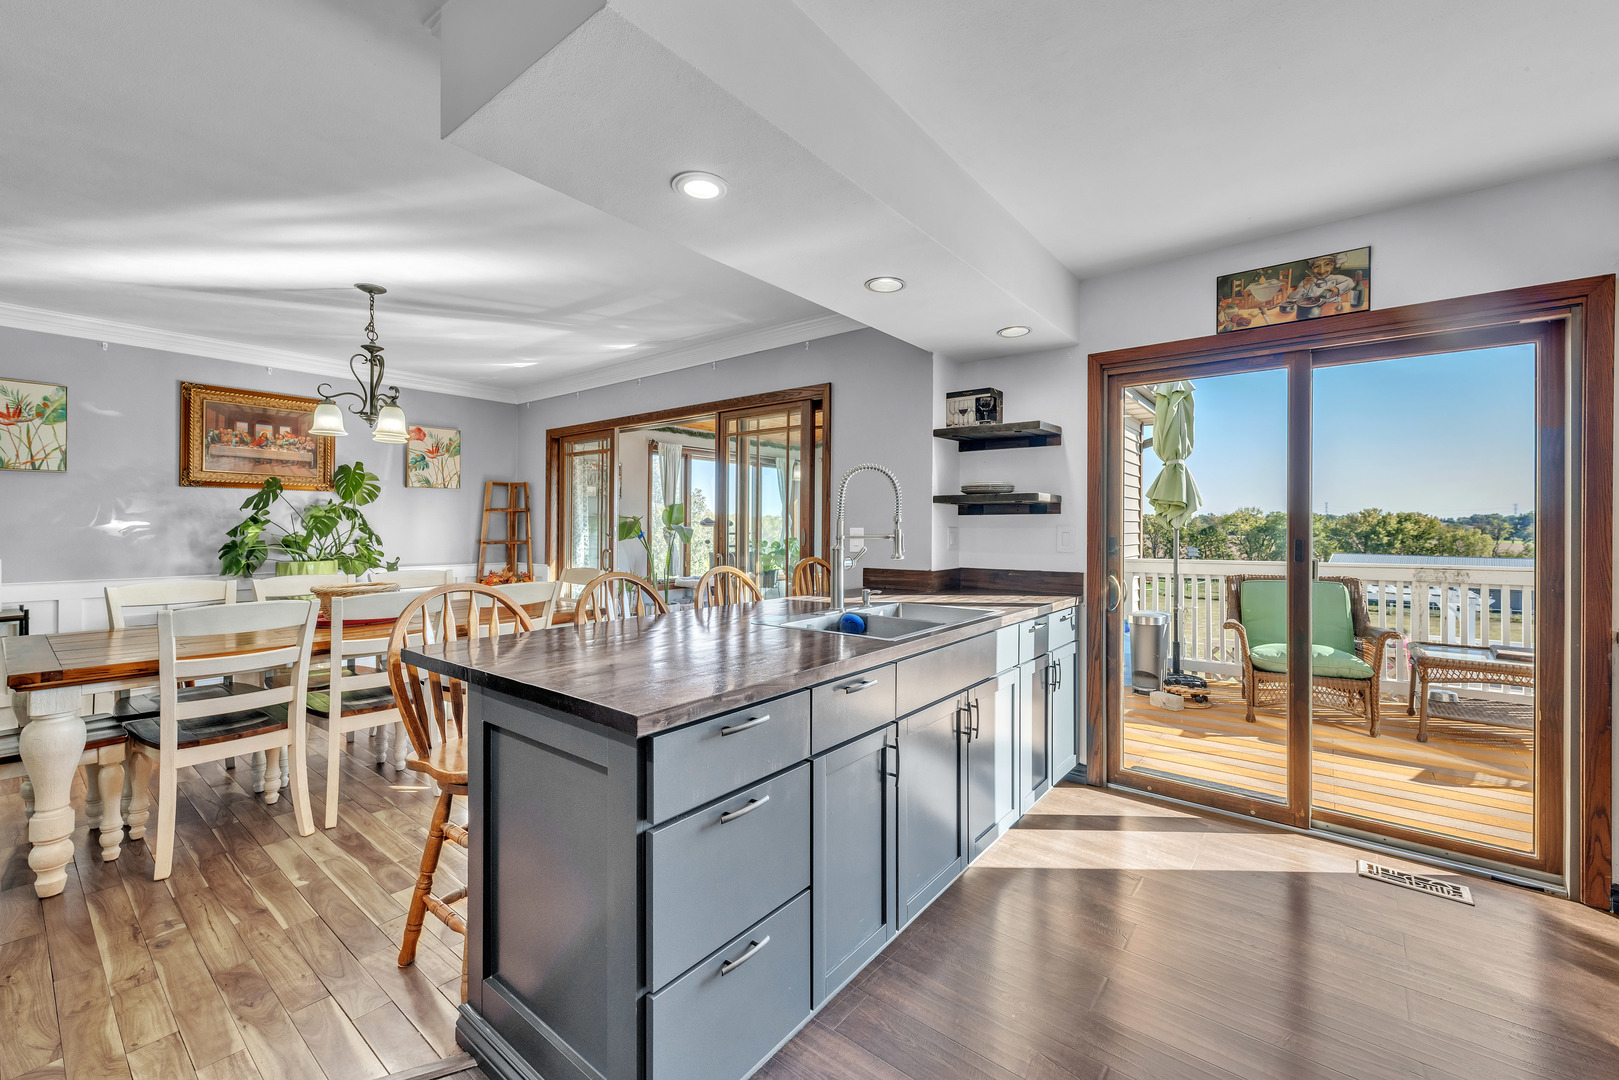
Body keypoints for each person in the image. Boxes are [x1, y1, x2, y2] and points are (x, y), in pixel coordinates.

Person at [1282, 254, 1357, 319]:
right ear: (1312, 268)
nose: (1321, 270)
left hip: (1331, 311)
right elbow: (1291, 297)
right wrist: (1303, 287)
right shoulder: (1308, 281)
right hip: (1310, 312)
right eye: (1317, 266)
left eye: (1327, 264)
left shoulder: (1336, 278)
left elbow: (1350, 283)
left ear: (1333, 265)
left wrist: (1337, 288)